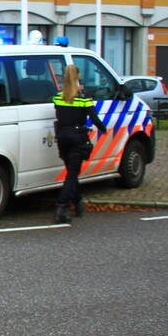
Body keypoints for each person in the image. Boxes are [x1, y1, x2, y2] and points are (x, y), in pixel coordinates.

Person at [52, 64, 108, 223]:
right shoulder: (83, 98)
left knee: (71, 172)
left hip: (62, 137)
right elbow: (95, 119)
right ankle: (61, 207)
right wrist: (104, 130)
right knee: (72, 175)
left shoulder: (58, 97)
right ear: (77, 77)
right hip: (77, 138)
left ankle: (77, 203)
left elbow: (58, 112)